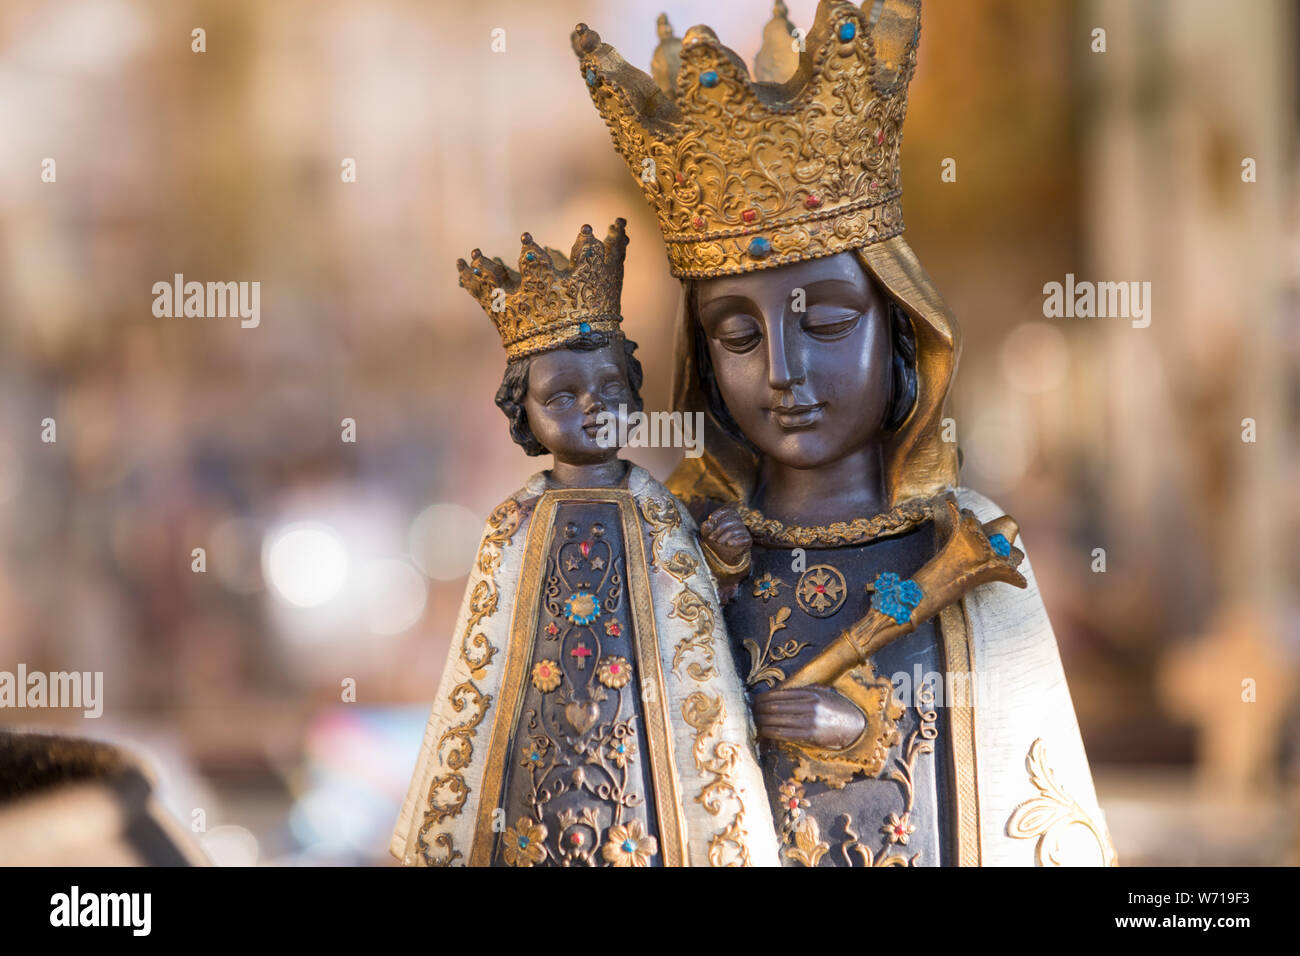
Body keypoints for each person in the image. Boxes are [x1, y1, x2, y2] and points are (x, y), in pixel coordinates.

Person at [571, 2, 1116, 866]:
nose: (783, 373)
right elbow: (619, 756)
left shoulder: (957, 541)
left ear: (901, 331)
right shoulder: (677, 550)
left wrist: (866, 725)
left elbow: (1021, 797)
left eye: (826, 324)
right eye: (739, 338)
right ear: (705, 363)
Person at [390, 221, 780, 866]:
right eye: (562, 397)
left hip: (643, 733)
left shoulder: (658, 510)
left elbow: (698, 616)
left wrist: (727, 557)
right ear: (526, 414)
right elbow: (482, 659)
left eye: (609, 390)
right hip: (534, 737)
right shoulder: (513, 521)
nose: (592, 410)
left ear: (634, 390)